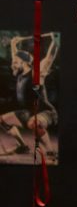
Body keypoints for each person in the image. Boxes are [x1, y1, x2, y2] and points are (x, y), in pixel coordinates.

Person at [0, 32, 59, 160]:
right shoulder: (20, 71)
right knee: (2, 120)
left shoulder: (36, 74)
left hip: (46, 112)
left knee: (34, 123)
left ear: (24, 63)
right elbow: (16, 56)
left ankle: (50, 153)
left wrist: (54, 42)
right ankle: (22, 147)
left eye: (15, 62)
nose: (12, 64)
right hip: (29, 112)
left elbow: (49, 58)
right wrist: (13, 43)